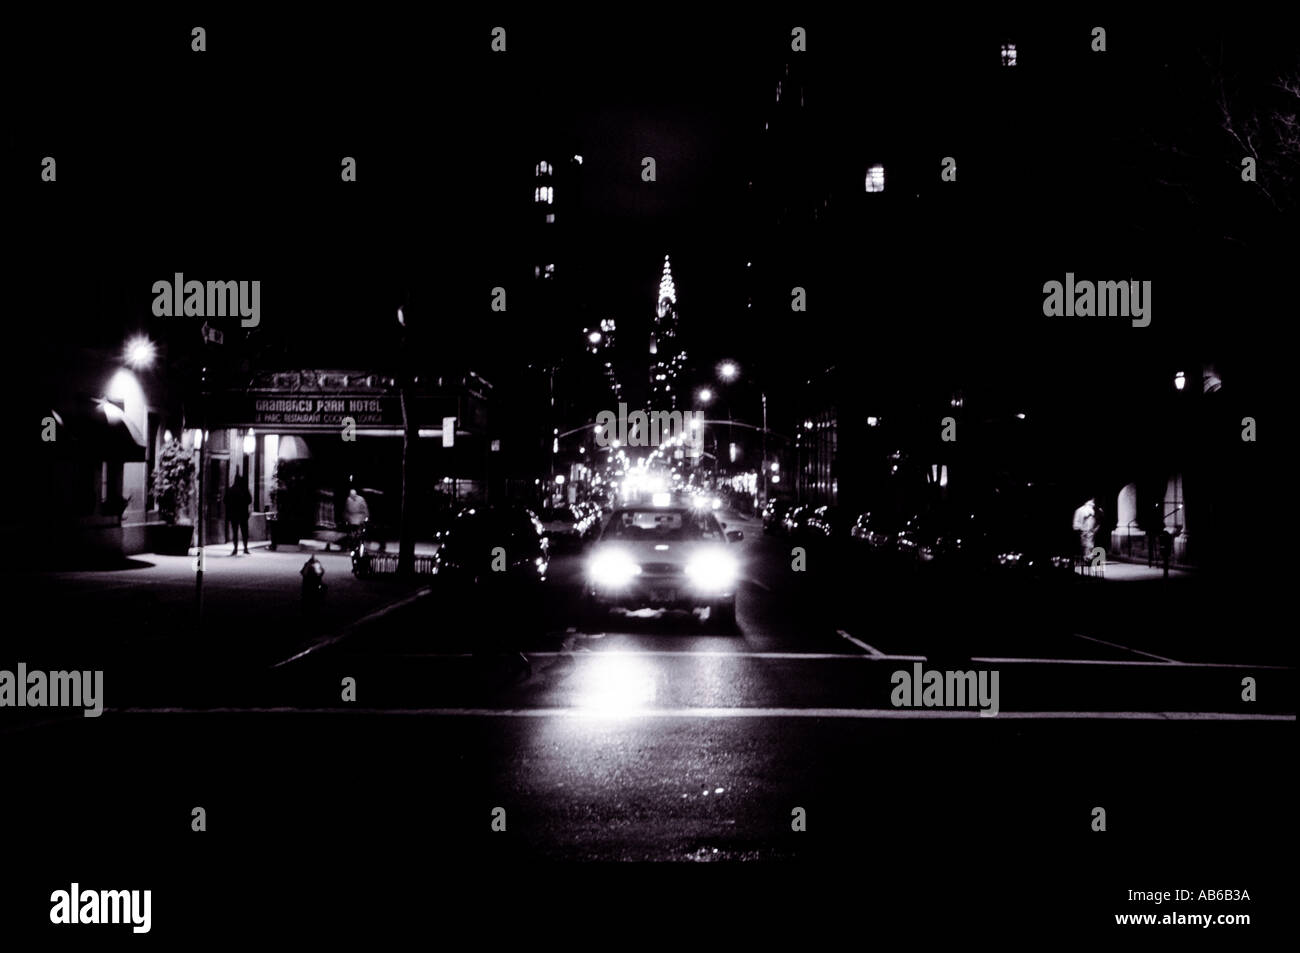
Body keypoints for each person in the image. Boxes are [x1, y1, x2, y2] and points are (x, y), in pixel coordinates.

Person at [225, 471, 252, 555]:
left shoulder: (231, 490)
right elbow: (249, 500)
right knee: (244, 532)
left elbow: (225, 500)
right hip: (243, 514)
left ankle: (235, 548)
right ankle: (245, 548)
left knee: (235, 532)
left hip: (234, 514)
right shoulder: (244, 490)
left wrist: (231, 506)